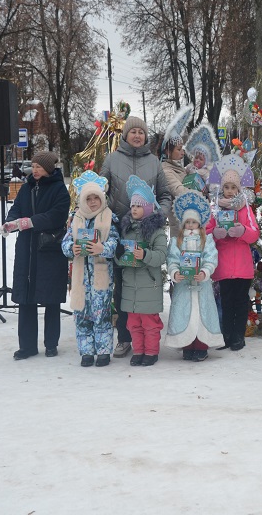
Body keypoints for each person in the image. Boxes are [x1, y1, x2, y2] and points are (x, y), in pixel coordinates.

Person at [100, 114, 173, 359]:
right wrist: (107, 219)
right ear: (125, 135)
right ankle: (124, 337)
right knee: (123, 284)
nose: (137, 135)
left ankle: (149, 335)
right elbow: (102, 192)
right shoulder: (111, 159)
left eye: (141, 132)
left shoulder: (154, 162)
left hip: (148, 231)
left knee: (147, 281)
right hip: (122, 231)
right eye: (133, 132)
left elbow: (165, 194)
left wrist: (157, 215)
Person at [2, 151, 69, 359]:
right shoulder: (26, 188)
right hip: (27, 248)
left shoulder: (59, 189)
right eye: (33, 165)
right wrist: (10, 222)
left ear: (48, 168)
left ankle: (51, 343)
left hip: (49, 248)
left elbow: (58, 215)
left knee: (50, 299)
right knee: (26, 298)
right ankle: (27, 346)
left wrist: (32, 222)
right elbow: (16, 208)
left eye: (39, 166)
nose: (35, 169)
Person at [62, 171, 120, 367]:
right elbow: (66, 242)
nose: (93, 202)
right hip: (80, 277)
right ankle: (86, 351)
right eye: (89, 198)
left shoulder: (109, 217)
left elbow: (115, 241)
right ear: (83, 200)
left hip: (101, 276)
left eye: (97, 198)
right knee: (81, 315)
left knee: (101, 314)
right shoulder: (76, 218)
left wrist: (103, 248)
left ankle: (103, 351)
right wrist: (72, 248)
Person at [206, 154, 260, 351]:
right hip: (224, 263)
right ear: (221, 188)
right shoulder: (214, 209)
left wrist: (243, 231)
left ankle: (238, 336)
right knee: (226, 301)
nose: (229, 191)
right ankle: (226, 335)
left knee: (240, 301)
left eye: (233, 187)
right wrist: (216, 234)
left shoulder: (245, 209)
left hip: (243, 265)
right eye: (226, 187)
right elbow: (205, 231)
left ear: (239, 189)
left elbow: (255, 233)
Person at [114, 176, 168, 367]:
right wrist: (118, 254)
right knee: (133, 323)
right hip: (130, 285)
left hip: (148, 284)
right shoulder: (126, 230)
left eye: (138, 206)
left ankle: (151, 351)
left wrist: (144, 254)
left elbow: (161, 255)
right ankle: (138, 351)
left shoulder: (156, 232)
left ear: (147, 208)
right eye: (132, 206)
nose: (134, 209)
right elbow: (121, 259)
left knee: (149, 323)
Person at [165, 190, 222, 361]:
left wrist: (205, 272)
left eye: (193, 222)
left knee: (202, 314)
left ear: (199, 223)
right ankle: (187, 345)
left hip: (201, 286)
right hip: (184, 286)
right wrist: (175, 272)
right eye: (187, 222)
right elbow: (172, 258)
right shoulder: (177, 241)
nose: (190, 225)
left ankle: (201, 345)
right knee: (185, 314)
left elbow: (211, 257)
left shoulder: (206, 240)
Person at [160, 105, 195, 241]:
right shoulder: (165, 169)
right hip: (179, 226)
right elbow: (178, 190)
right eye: (179, 149)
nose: (182, 152)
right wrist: (199, 195)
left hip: (188, 222)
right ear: (168, 152)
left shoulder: (178, 167)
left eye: (183, 148)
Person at [184, 121, 221, 186]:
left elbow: (211, 183)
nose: (197, 160)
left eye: (201, 159)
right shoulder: (190, 167)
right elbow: (183, 172)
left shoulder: (206, 172)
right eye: (196, 157)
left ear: (205, 162)